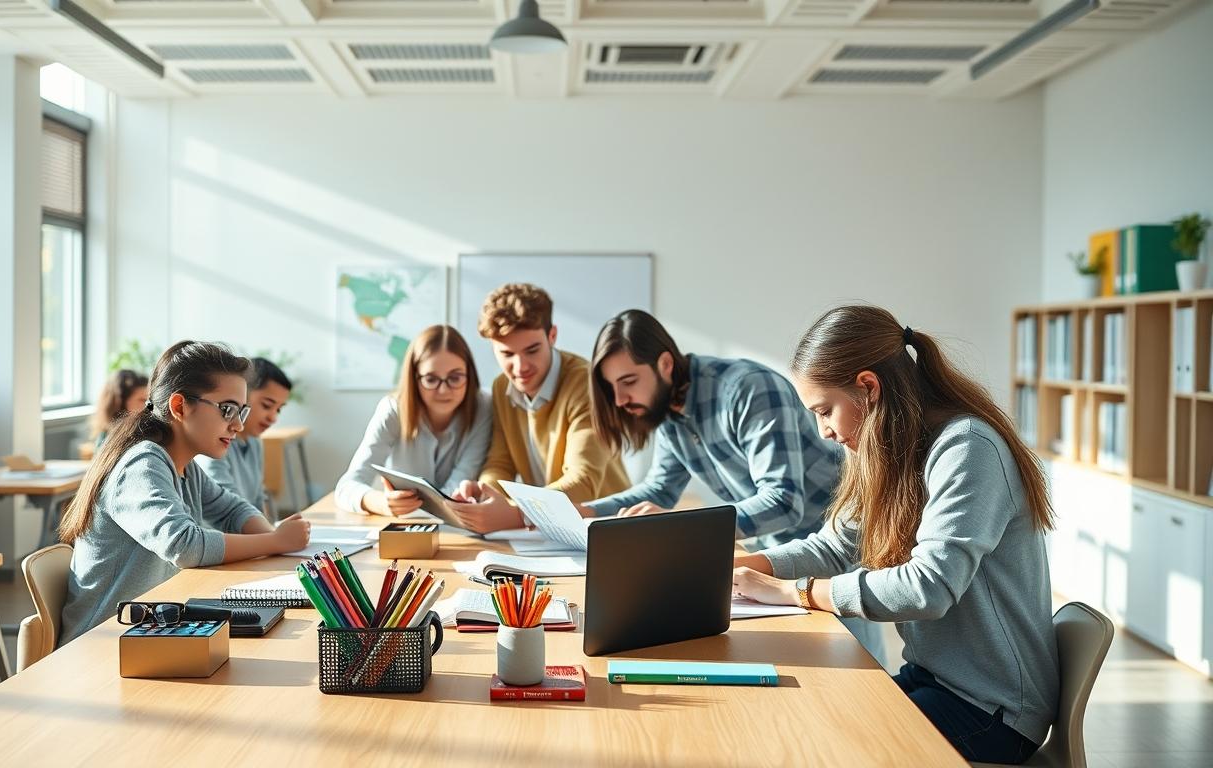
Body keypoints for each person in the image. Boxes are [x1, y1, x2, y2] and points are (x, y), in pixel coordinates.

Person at [731, 305, 1059, 764]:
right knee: (800, 719)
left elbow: (928, 588)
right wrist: (738, 568)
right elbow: (835, 546)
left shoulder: (968, 448)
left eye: (825, 411)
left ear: (868, 387)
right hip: (933, 679)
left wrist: (794, 592)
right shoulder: (892, 451)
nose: (824, 431)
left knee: (817, 748)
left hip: (990, 710)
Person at [58, 341, 311, 644]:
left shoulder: (185, 466)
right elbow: (183, 545)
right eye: (227, 410)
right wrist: (275, 540)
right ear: (179, 407)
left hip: (152, 631)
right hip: (102, 643)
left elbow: (232, 510)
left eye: (242, 412)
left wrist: (273, 538)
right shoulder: (141, 464)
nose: (236, 425)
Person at [585, 309, 841, 551]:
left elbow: (784, 502)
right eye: (611, 387)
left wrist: (679, 527)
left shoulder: (750, 389)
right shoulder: (668, 409)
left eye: (629, 381)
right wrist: (587, 511)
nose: (619, 400)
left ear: (665, 364)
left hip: (838, 547)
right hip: (776, 547)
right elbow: (660, 490)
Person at [448, 283, 628, 533]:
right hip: (547, 528)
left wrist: (513, 512)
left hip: (605, 527)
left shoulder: (586, 384)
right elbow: (500, 463)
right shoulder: (502, 387)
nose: (520, 367)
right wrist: (483, 494)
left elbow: (583, 482)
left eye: (532, 350)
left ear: (552, 336)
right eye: (507, 354)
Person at [334, 325, 491, 516]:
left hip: (456, 522)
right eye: (431, 379)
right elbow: (347, 486)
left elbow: (462, 478)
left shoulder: (483, 406)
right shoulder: (393, 409)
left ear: (469, 375)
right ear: (414, 378)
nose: (443, 390)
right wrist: (381, 503)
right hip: (402, 521)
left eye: (455, 377)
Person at [195, 356, 292, 515]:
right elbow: (227, 507)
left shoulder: (254, 442)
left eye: (278, 409)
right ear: (242, 396)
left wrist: (269, 528)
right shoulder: (214, 442)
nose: (273, 417)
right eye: (267, 405)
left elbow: (258, 499)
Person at [89, 369, 148, 449]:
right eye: (142, 400)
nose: (149, 406)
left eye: (149, 400)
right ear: (120, 403)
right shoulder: (106, 441)